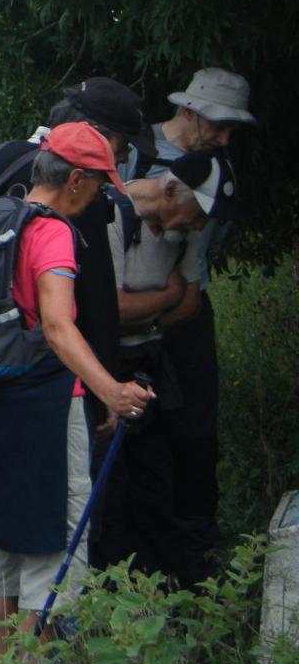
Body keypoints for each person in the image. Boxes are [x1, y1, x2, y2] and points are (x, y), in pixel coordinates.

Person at [0, 123, 154, 660]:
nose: (97, 197)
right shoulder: (52, 231)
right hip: (47, 406)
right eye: (97, 186)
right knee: (57, 545)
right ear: (74, 179)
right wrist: (112, 391)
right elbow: (56, 325)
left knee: (1, 546)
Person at [117, 67, 254, 586]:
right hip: (128, 330)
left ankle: (194, 564)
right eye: (218, 126)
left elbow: (190, 292)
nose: (224, 139)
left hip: (179, 323)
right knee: (131, 450)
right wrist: (144, 314)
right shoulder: (135, 151)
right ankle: (133, 569)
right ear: (190, 112)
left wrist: (158, 309)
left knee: (194, 440)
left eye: (231, 131)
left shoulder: (214, 168)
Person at [109, 150, 237, 585]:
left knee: (157, 484)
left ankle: (166, 589)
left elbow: (189, 300)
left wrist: (141, 316)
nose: (197, 227)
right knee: (111, 487)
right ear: (169, 189)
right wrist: (160, 301)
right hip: (108, 367)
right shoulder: (109, 213)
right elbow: (107, 309)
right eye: (195, 215)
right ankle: (112, 590)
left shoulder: (183, 231)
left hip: (153, 363)